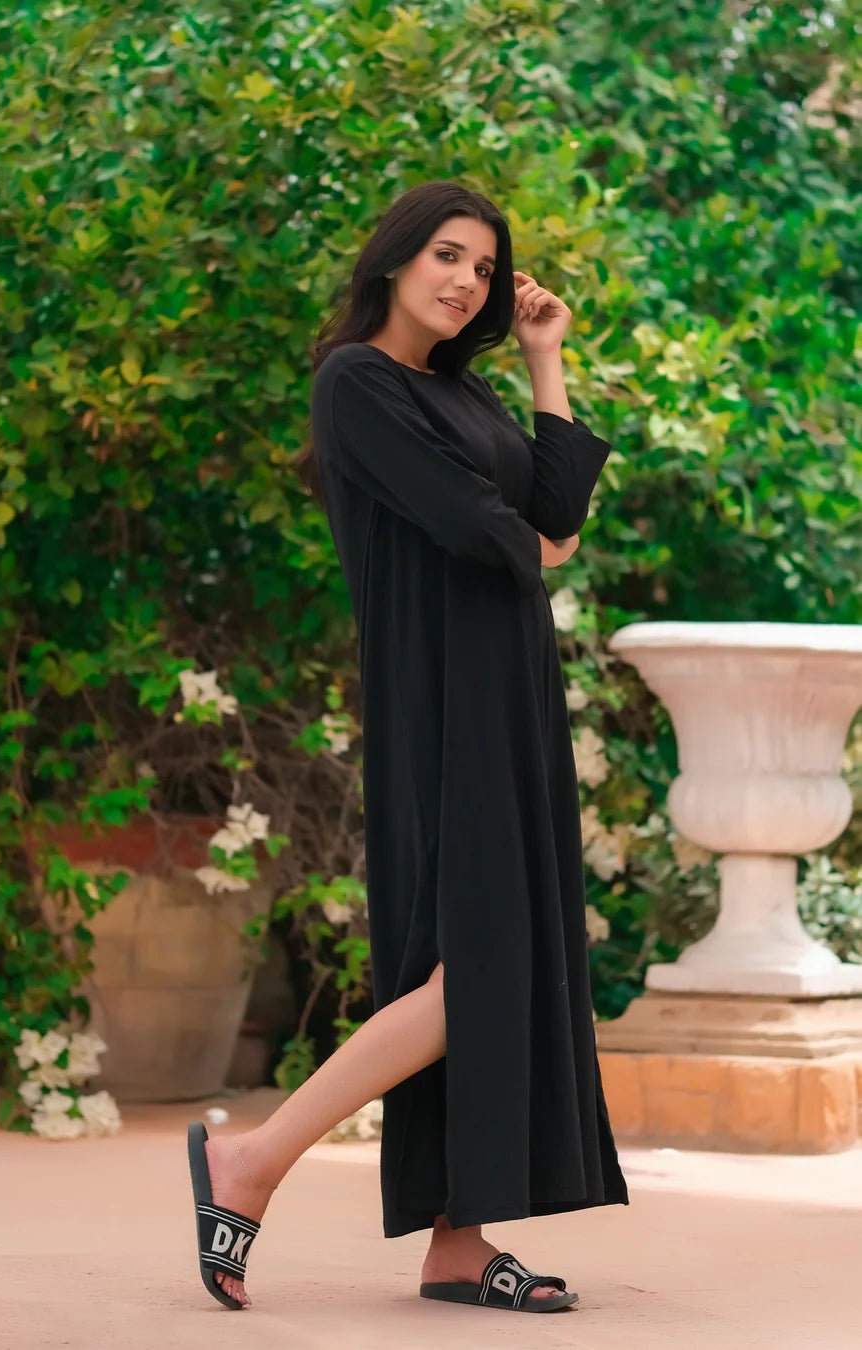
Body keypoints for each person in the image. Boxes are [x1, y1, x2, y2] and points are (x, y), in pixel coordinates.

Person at [187, 179, 629, 1316]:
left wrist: (543, 358)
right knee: (478, 969)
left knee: (487, 959)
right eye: (447, 255)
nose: (467, 282)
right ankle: (252, 1161)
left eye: (484, 267)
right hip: (441, 695)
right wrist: (533, 541)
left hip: (510, 691)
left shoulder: (465, 391)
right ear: (393, 258)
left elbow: (554, 517)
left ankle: (457, 1245)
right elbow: (485, 531)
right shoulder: (357, 383)